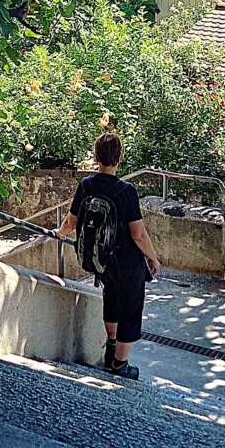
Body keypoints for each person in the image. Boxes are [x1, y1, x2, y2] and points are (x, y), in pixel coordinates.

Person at [57, 133, 159, 380]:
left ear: (96, 156)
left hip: (102, 260)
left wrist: (58, 234)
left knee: (111, 298)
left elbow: (71, 222)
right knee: (131, 309)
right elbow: (138, 234)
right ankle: (120, 365)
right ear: (120, 157)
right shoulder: (127, 191)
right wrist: (153, 258)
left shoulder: (86, 185)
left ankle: (111, 347)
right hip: (128, 261)